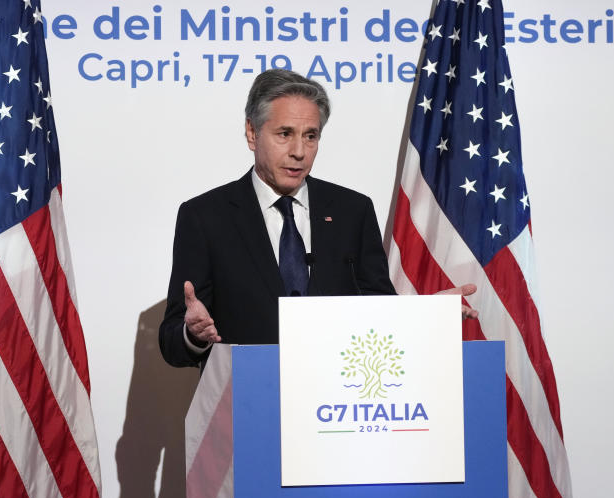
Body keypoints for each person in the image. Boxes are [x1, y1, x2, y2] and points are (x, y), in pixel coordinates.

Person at [158, 69, 474, 368]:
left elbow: (379, 312)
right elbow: (172, 342)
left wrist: (423, 314)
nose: (300, 151)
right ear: (252, 133)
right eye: (285, 134)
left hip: (336, 402)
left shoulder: (352, 211)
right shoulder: (206, 217)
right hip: (249, 406)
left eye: (311, 136)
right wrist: (193, 335)